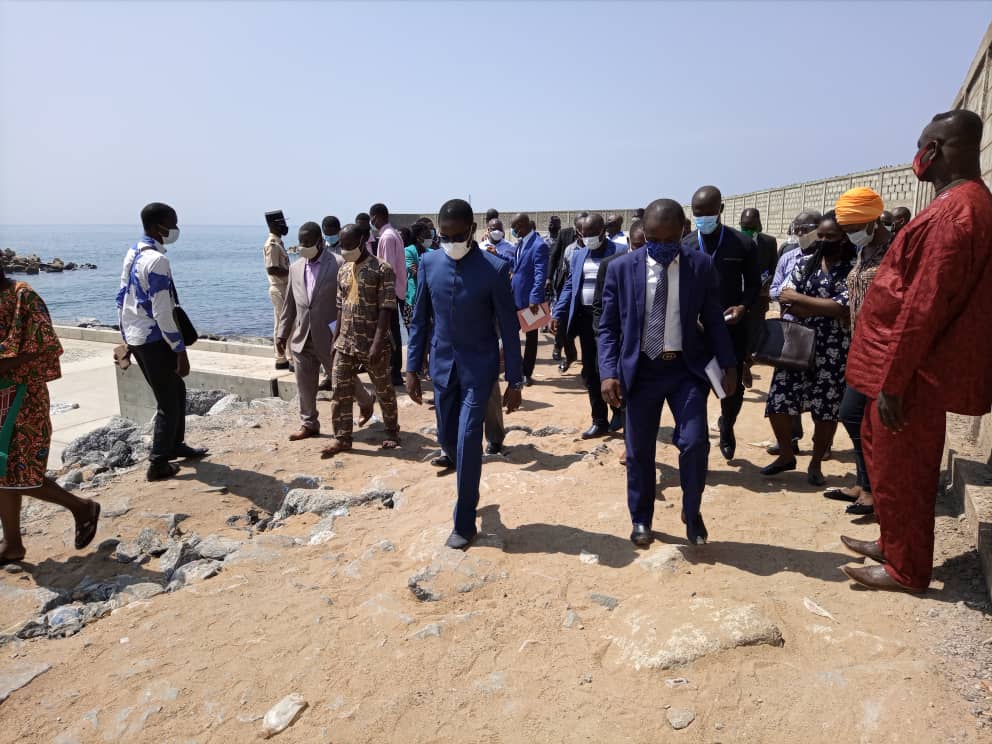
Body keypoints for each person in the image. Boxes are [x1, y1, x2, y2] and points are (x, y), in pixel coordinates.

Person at [840, 110, 992, 593]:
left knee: (903, 467)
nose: (916, 158)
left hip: (912, 371)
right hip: (897, 364)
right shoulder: (955, 203)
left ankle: (906, 568)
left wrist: (895, 380)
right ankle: (892, 540)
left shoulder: (956, 212)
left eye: (922, 146)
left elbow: (924, 305)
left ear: (936, 150)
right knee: (881, 457)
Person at [599, 198, 737, 547]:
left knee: (694, 443)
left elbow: (715, 320)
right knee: (639, 450)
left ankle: (692, 513)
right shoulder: (621, 268)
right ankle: (641, 518)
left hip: (685, 370)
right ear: (643, 232)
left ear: (683, 232)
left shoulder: (700, 266)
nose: (660, 246)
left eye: (668, 239)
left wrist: (730, 364)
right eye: (652, 239)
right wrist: (607, 372)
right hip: (641, 371)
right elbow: (609, 328)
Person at [407, 199, 523, 549]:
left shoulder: (495, 269)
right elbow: (419, 319)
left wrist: (514, 380)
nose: (450, 241)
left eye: (457, 235)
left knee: (469, 439)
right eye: (444, 235)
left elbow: (509, 328)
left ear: (472, 231)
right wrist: (412, 367)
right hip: (442, 369)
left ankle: (464, 522)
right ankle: (471, 493)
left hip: (479, 370)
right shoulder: (429, 262)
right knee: (447, 438)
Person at [0, 265, 101, 564]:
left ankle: (82, 508)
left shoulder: (22, 296)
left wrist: (5, 364)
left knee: (22, 470)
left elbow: (45, 345)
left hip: (22, 398)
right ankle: (13, 544)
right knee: (2, 472)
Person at [761, 212, 854, 485]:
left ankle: (815, 463)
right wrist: (822, 307)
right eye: (821, 236)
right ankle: (787, 455)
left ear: (844, 238)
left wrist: (806, 302)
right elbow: (784, 297)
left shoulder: (852, 267)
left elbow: (842, 308)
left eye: (831, 237)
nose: (824, 241)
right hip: (797, 343)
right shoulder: (805, 262)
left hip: (833, 348)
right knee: (778, 401)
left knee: (825, 409)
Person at [118, 202, 207, 481]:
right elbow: (162, 312)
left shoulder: (133, 253)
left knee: (177, 391)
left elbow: (122, 297)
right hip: (154, 340)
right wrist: (179, 350)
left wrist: (125, 338)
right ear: (159, 227)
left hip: (137, 336)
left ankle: (175, 444)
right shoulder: (157, 261)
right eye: (173, 223)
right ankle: (158, 462)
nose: (176, 229)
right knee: (168, 400)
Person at [828, 188, 892, 516]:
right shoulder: (864, 250)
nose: (850, 234)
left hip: (882, 350)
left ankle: (872, 489)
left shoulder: (894, 250)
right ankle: (862, 482)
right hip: (859, 345)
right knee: (856, 417)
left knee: (854, 415)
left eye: (855, 226)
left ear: (874, 219)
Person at [277, 222, 372, 441]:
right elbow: (289, 304)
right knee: (304, 383)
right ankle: (309, 423)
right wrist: (282, 334)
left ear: (320, 242)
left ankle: (366, 401)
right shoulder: (295, 268)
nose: (304, 247)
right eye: (301, 243)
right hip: (302, 337)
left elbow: (351, 299)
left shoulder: (338, 263)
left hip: (331, 336)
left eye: (309, 243)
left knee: (342, 377)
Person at [685, 185, 761, 461]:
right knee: (698, 383)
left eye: (708, 213)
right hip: (698, 328)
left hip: (732, 326)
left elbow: (753, 284)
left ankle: (727, 425)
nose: (703, 218)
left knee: (731, 385)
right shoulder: (687, 245)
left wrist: (743, 306)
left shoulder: (742, 244)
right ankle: (700, 437)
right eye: (697, 213)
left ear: (721, 210)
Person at [319, 225, 400, 456]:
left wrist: (377, 343)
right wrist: (335, 342)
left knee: (384, 389)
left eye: (349, 245)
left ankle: (392, 431)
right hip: (345, 341)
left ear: (363, 240)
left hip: (373, 342)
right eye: (342, 246)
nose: (344, 250)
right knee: (340, 390)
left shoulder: (382, 269)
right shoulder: (343, 270)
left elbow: (386, 310)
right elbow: (339, 308)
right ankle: (342, 437)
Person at [551, 214, 625, 438]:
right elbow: (571, 284)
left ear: (604, 231)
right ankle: (599, 420)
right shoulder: (579, 254)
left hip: (610, 320)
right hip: (584, 318)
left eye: (594, 235)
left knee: (608, 368)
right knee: (590, 371)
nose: (589, 239)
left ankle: (620, 410)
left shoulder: (619, 253)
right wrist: (558, 311)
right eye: (585, 236)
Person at [766, 210, 823, 456]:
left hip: (823, 334)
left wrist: (803, 301)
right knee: (786, 390)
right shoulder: (788, 258)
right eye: (797, 230)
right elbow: (775, 289)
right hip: (791, 331)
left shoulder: (830, 257)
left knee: (821, 394)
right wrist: (789, 300)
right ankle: (790, 441)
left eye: (805, 229)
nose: (800, 234)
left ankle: (822, 447)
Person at [739, 208, 779, 388]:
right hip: (737, 298)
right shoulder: (734, 240)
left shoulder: (769, 242)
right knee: (738, 334)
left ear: (759, 225)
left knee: (755, 336)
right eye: (744, 226)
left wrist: (769, 283)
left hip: (759, 298)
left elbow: (774, 269)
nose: (747, 229)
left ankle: (747, 363)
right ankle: (742, 365)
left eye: (750, 226)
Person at [369, 204, 407, 386]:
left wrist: (383, 294)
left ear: (377, 217)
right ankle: (394, 370)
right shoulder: (393, 234)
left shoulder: (386, 237)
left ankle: (394, 371)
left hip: (389, 290)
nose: (372, 222)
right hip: (396, 289)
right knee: (393, 331)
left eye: (372, 218)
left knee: (390, 332)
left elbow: (387, 268)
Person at [509, 213, 549, 386]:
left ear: (523, 225)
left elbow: (540, 275)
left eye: (515, 227)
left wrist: (535, 298)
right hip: (515, 298)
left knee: (531, 338)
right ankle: (517, 369)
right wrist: (498, 255)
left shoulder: (539, 245)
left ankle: (527, 372)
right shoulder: (521, 243)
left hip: (530, 300)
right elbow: (516, 266)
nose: (514, 230)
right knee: (511, 336)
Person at [549, 213, 587, 369]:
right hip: (567, 290)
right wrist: (549, 279)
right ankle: (565, 351)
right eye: (581, 229)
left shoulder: (606, 249)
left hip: (589, 297)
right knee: (562, 323)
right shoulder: (570, 249)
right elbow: (565, 271)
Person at [263, 210, 292, 371]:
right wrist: (293, 272)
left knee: (283, 322)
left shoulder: (278, 242)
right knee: (284, 323)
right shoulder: (272, 244)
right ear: (273, 225)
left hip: (283, 287)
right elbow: (272, 269)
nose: (284, 226)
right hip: (279, 287)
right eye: (281, 223)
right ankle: (283, 357)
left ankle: (282, 357)